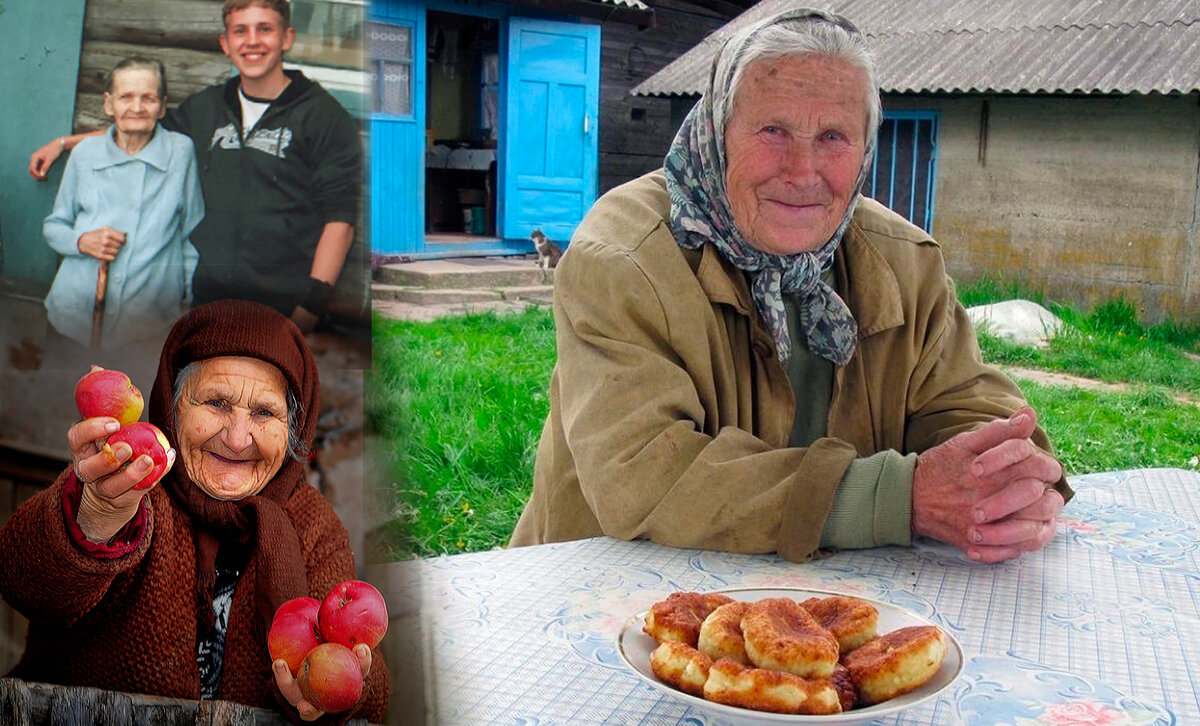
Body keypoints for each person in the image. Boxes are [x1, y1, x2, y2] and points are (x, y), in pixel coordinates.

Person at [511, 9, 1071, 565]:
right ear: (718, 131)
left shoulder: (904, 262)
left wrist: (1001, 479)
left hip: (824, 603)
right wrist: (901, 497)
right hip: (614, 594)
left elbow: (967, 410)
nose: (803, 171)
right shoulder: (625, 257)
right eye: (773, 130)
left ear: (865, 151)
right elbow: (645, 476)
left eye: (833, 136)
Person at [0, 299, 388, 722]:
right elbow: (24, 581)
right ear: (173, 405)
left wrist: (334, 690)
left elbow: (373, 681)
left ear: (293, 428)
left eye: (264, 413)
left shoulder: (312, 522)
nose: (238, 439)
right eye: (217, 403)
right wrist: (94, 517)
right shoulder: (130, 482)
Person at [30, 0, 362, 335]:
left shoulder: (324, 117)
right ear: (225, 43)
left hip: (278, 312)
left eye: (265, 29)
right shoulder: (207, 108)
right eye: (240, 31)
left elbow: (341, 222)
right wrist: (63, 143)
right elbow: (137, 123)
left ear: (287, 37)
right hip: (205, 306)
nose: (252, 41)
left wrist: (306, 314)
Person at [43, 57, 202, 351]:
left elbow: (190, 238)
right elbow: (54, 226)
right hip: (74, 318)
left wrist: (188, 308)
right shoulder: (85, 154)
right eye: (126, 96)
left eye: (148, 98)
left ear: (162, 106)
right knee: (60, 394)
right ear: (108, 103)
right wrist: (82, 241)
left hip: (147, 324)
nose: (137, 107)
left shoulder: (180, 152)